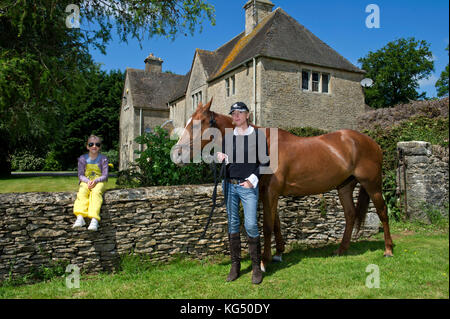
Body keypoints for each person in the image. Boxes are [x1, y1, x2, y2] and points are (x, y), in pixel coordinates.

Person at [216, 102, 268, 285]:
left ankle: (255, 267)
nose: (236, 116)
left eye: (240, 113)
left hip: (247, 188)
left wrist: (252, 180)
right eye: (233, 113)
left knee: (251, 224)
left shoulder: (257, 136)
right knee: (233, 224)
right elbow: (225, 156)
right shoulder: (228, 137)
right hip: (229, 186)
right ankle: (235, 265)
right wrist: (221, 157)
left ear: (247, 115)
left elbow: (266, 162)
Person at [72, 135, 109, 231]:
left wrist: (95, 181)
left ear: (100, 147)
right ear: (87, 146)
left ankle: (94, 219)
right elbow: (80, 175)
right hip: (86, 181)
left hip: (99, 181)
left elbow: (105, 175)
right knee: (82, 191)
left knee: (96, 193)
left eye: (97, 144)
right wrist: (88, 181)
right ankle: (80, 217)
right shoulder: (82, 159)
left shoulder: (103, 159)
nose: (94, 146)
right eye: (91, 144)